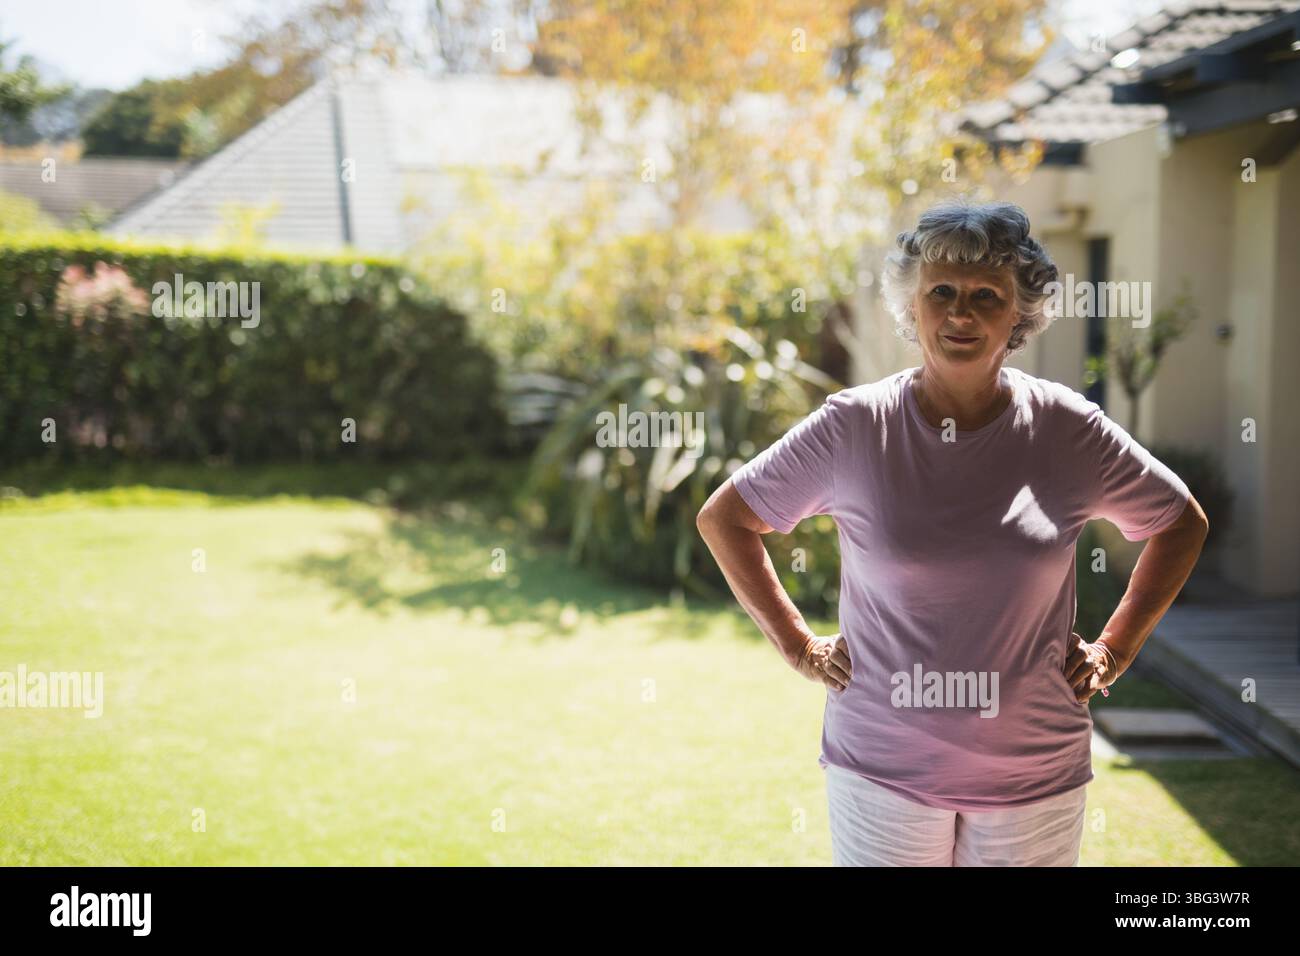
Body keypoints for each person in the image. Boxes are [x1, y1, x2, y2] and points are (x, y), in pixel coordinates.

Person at [695, 199, 1209, 866]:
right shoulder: (855, 427)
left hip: (1032, 777)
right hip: (882, 772)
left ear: (1019, 312)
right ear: (912, 305)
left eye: (986, 296)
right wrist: (799, 648)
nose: (960, 313)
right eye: (941, 292)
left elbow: (1179, 522)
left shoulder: (1066, 428)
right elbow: (727, 518)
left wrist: (1115, 651)